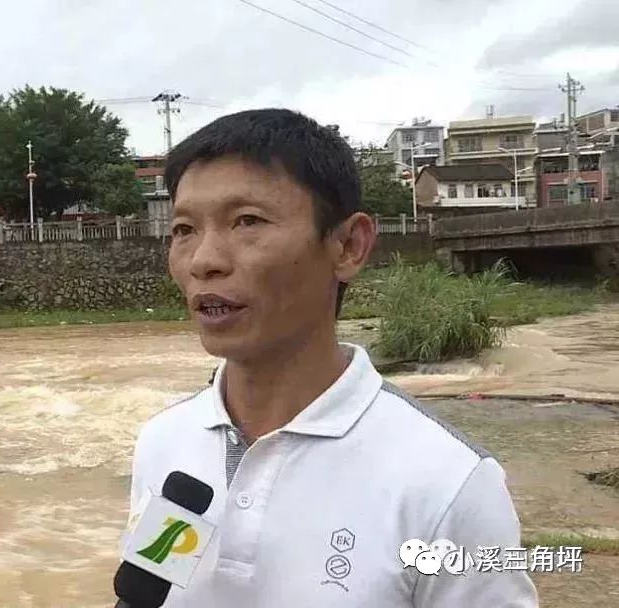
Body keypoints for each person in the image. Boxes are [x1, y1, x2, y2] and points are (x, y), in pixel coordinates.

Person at [121, 109, 538, 606]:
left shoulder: (449, 483)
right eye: (184, 229)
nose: (204, 259)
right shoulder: (164, 440)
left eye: (246, 221)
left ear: (348, 246)